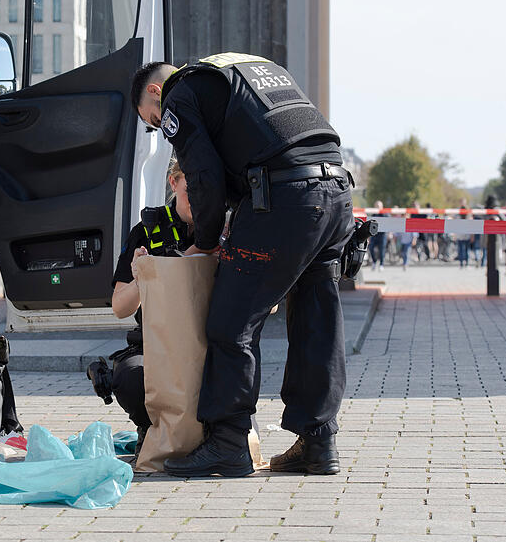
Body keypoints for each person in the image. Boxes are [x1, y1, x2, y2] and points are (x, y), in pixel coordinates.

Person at [132, 53, 354, 477]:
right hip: (336, 192)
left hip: (284, 201)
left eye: (153, 120)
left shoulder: (181, 92)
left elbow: (204, 176)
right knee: (317, 317)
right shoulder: (250, 72)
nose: (160, 128)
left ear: (157, 92)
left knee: (231, 323)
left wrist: (206, 242)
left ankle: (228, 443)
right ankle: (318, 442)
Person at [107, 162, 194, 453]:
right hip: (158, 344)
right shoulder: (147, 231)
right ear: (173, 183)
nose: (199, 198)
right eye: (190, 189)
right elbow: (120, 307)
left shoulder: (228, 226)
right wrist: (143, 277)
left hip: (210, 341)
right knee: (130, 375)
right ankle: (151, 428)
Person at [368, 200, 387, 270]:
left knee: (382, 250)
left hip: (382, 235)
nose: (377, 207)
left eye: (378, 206)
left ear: (382, 207)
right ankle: (374, 262)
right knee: (371, 248)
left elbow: (389, 224)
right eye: (376, 206)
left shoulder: (385, 214)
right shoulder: (373, 215)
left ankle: (381, 264)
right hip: (374, 235)